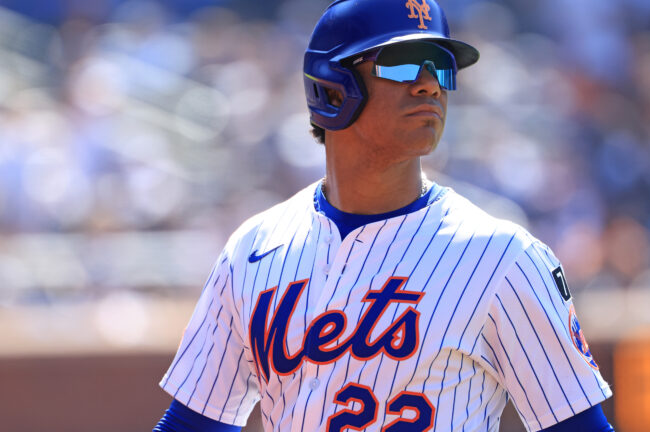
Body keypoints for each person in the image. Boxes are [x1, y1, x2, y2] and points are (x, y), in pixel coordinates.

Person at [154, 0, 614, 430]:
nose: (429, 83)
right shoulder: (253, 249)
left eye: (442, 67)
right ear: (334, 86)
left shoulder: (503, 258)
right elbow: (192, 423)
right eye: (404, 62)